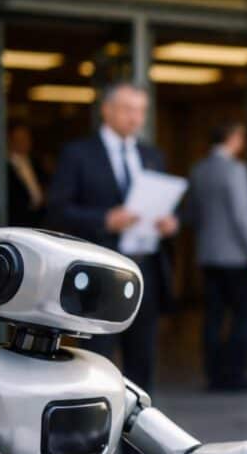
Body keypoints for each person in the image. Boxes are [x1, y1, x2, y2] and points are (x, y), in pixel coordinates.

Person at [46, 81, 178, 396]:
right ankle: (97, 437)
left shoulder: (152, 155)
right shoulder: (78, 154)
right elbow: (57, 211)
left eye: (141, 111)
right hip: (100, 277)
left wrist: (170, 224)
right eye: (128, 110)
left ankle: (139, 442)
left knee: (142, 365)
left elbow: (164, 207)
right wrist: (105, 219)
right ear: (107, 110)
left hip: (144, 271)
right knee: (96, 364)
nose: (136, 118)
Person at [185, 121, 247, 392]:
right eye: (241, 136)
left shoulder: (199, 169)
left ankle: (213, 374)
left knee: (213, 318)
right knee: (243, 317)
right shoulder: (236, 170)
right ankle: (235, 374)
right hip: (236, 256)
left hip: (208, 255)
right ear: (232, 137)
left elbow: (193, 214)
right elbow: (243, 216)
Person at [6, 125, 47, 227]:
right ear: (10, 140)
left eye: (26, 138)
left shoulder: (37, 162)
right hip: (14, 220)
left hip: (39, 219)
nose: (24, 142)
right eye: (19, 139)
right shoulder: (1, 166)